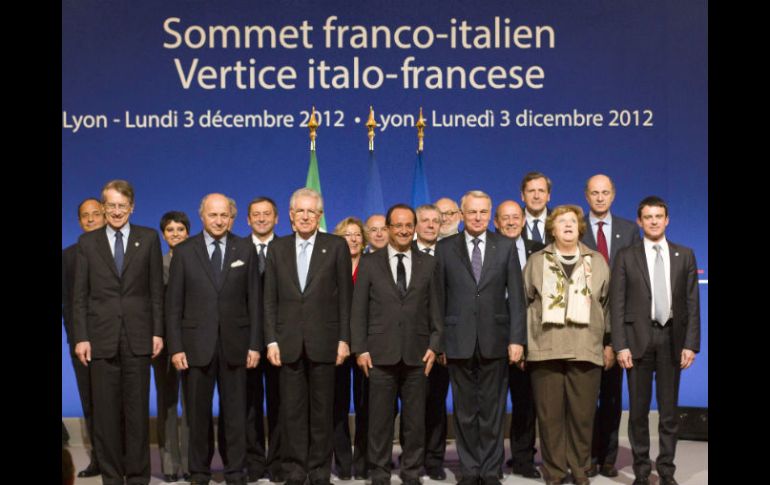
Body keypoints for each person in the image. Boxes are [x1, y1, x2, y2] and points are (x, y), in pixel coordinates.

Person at [165, 193, 262, 485]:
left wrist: (255, 344)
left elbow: (254, 302)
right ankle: (199, 471)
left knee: (236, 414)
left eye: (224, 215)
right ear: (202, 217)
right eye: (213, 215)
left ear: (231, 217)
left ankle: (235, 470)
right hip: (196, 347)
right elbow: (174, 306)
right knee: (198, 414)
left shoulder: (245, 248)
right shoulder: (184, 251)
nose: (219, 221)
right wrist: (177, 346)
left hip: (237, 345)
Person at [73, 179, 164, 485]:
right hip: (100, 338)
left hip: (138, 338)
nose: (115, 211)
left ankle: (138, 477)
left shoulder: (149, 238)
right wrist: (82, 337)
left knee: (137, 413)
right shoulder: (87, 243)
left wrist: (157, 332)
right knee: (107, 416)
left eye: (121, 206)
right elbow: (80, 296)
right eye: (110, 206)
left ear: (132, 207)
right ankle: (112, 477)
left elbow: (155, 293)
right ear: (103, 207)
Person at [435, 190, 526, 485]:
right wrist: (440, 342)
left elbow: (516, 298)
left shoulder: (505, 246)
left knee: (492, 410)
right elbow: (438, 298)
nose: (477, 217)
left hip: (495, 340)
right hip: (457, 340)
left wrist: (517, 340)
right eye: (472, 212)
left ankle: (490, 470)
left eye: (483, 212)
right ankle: (470, 469)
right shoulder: (446, 248)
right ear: (462, 215)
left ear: (490, 214)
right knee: (464, 411)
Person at [263, 187, 353, 485]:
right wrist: (272, 340)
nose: (304, 216)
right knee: (292, 411)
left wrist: (344, 339)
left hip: (325, 343)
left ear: (319, 215)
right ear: (290, 216)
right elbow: (269, 299)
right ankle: (295, 468)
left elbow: (345, 299)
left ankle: (318, 470)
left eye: (310, 211)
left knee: (322, 410)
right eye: (299, 211)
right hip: (287, 344)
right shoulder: (277, 249)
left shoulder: (336, 246)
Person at [611, 196, 700, 485]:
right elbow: (618, 303)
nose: (653, 221)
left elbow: (692, 303)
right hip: (637, 340)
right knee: (638, 412)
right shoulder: (626, 255)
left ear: (667, 219)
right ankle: (640, 472)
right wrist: (620, 344)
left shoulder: (684, 254)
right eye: (647, 217)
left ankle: (666, 471)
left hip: (672, 340)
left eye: (658, 216)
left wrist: (691, 343)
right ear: (639, 221)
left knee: (668, 411)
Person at [351, 204, 442, 485]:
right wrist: (361, 348)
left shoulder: (429, 263)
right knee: (379, 421)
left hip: (417, 355)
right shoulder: (369, 262)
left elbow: (436, 308)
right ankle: (379, 471)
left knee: (415, 421)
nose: (403, 230)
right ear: (388, 228)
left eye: (408, 225)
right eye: (397, 225)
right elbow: (358, 311)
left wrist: (435, 345)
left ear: (413, 228)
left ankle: (411, 471)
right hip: (379, 355)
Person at [523, 205, 611, 485]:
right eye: (562, 221)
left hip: (586, 348)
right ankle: (556, 471)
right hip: (545, 347)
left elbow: (606, 305)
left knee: (583, 416)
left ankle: (580, 468)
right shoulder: (537, 261)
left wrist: (608, 343)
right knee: (550, 418)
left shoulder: (596, 261)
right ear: (552, 228)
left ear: (580, 227)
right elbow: (526, 302)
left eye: (572, 221)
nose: (568, 226)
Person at [580, 174, 641, 478]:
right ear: (586, 196)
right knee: (586, 397)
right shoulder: (574, 228)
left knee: (613, 396)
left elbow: (635, 283)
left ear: (613, 195)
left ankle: (608, 457)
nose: (600, 198)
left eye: (605, 193)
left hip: (618, 327)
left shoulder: (630, 231)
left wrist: (616, 338)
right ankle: (587, 456)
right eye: (594, 193)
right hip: (583, 327)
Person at [492, 200, 543, 479]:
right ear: (496, 222)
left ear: (523, 220)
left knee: (526, 403)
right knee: (492, 403)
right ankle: (492, 460)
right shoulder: (486, 249)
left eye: (515, 217)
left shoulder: (539, 249)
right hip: (492, 338)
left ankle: (523, 459)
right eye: (504, 218)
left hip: (531, 337)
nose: (511, 222)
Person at [62, 197, 105, 478]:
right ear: (79, 221)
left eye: (95, 214)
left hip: (115, 338)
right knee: (90, 402)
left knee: (120, 403)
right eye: (85, 216)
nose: (90, 219)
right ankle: (99, 459)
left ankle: (124, 458)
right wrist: (78, 338)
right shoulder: (69, 256)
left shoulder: (117, 250)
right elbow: (67, 302)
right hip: (82, 343)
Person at [244, 196, 284, 483]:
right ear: (248, 220)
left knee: (281, 403)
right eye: (255, 215)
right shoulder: (237, 248)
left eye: (266, 214)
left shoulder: (286, 249)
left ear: (277, 218)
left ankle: (279, 461)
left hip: (281, 341)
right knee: (249, 404)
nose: (261, 218)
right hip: (245, 342)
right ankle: (254, 462)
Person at [409, 204, 447, 479]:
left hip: (441, 344)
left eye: (436, 221)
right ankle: (411, 459)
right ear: (415, 224)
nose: (431, 225)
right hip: (407, 342)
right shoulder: (401, 251)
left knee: (435, 404)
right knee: (410, 407)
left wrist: (441, 343)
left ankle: (434, 461)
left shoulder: (449, 253)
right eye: (425, 221)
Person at [154, 211, 191, 483]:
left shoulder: (196, 262)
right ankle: (169, 464)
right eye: (170, 230)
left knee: (191, 404)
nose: (175, 234)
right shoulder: (156, 265)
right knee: (167, 403)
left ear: (188, 233)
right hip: (164, 343)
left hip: (192, 343)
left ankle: (190, 463)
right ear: (163, 234)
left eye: (180, 229)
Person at [331, 216, 369, 480]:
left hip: (367, 347)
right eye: (347, 235)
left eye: (357, 235)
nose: (353, 239)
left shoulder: (372, 265)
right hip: (338, 346)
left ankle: (364, 461)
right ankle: (343, 463)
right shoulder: (330, 266)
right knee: (338, 406)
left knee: (367, 406)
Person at [520, 172, 554, 245]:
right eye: (531, 191)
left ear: (548, 196)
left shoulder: (558, 220)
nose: (536, 196)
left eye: (541, 191)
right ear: (522, 196)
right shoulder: (513, 221)